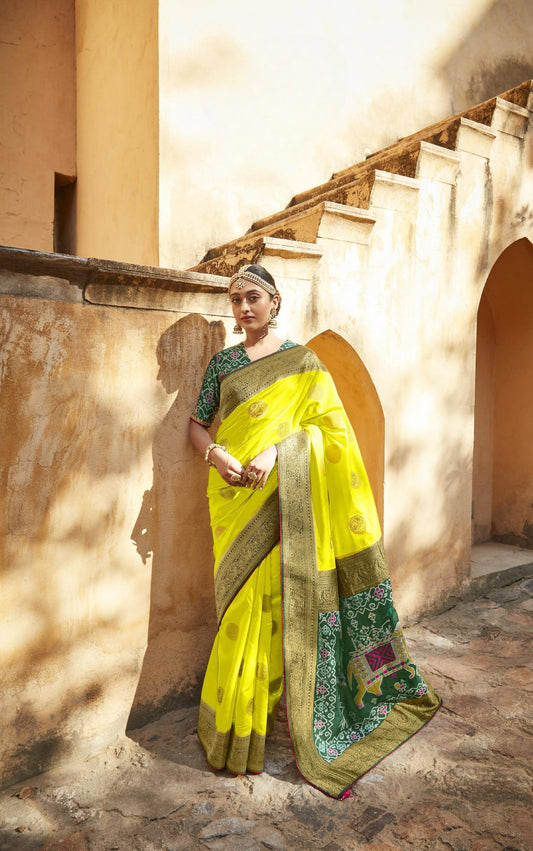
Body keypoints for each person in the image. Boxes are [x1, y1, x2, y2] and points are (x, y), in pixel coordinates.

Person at [188, 263, 440, 798]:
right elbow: (196, 422)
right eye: (235, 301)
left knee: (283, 603)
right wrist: (215, 455)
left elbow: (330, 433)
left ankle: (289, 711)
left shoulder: (304, 362)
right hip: (235, 499)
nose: (243, 309)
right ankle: (237, 725)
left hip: (288, 499)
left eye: (252, 297)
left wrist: (280, 450)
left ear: (274, 302)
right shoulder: (223, 364)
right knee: (239, 609)